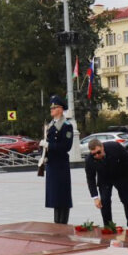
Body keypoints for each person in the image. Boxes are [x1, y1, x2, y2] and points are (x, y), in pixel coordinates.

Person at [84, 138, 128, 228]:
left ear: (102, 147)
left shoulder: (115, 147)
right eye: (94, 154)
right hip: (104, 179)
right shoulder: (89, 160)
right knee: (104, 201)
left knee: (127, 200)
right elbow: (90, 179)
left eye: (98, 152)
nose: (97, 155)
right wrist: (95, 197)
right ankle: (108, 226)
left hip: (120, 175)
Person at [42, 95, 73, 224]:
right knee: (55, 197)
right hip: (52, 165)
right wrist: (43, 154)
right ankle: (57, 223)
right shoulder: (50, 125)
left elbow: (66, 146)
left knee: (62, 196)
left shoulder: (66, 126)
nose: (51, 110)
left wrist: (49, 146)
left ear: (60, 109)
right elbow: (47, 142)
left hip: (60, 165)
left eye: (54, 108)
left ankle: (62, 223)